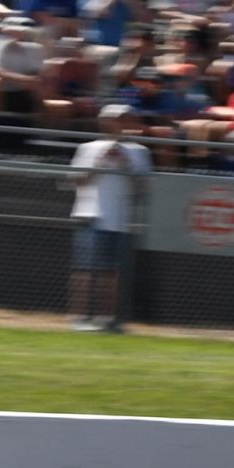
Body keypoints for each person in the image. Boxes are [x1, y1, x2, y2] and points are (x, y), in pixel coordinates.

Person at [67, 105, 150, 332]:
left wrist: (125, 164)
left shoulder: (139, 151)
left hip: (120, 219)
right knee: (85, 270)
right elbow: (77, 180)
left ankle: (107, 320)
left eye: (125, 119)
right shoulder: (88, 148)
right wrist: (99, 163)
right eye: (115, 119)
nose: (120, 124)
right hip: (90, 215)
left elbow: (141, 186)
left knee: (112, 273)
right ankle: (81, 318)